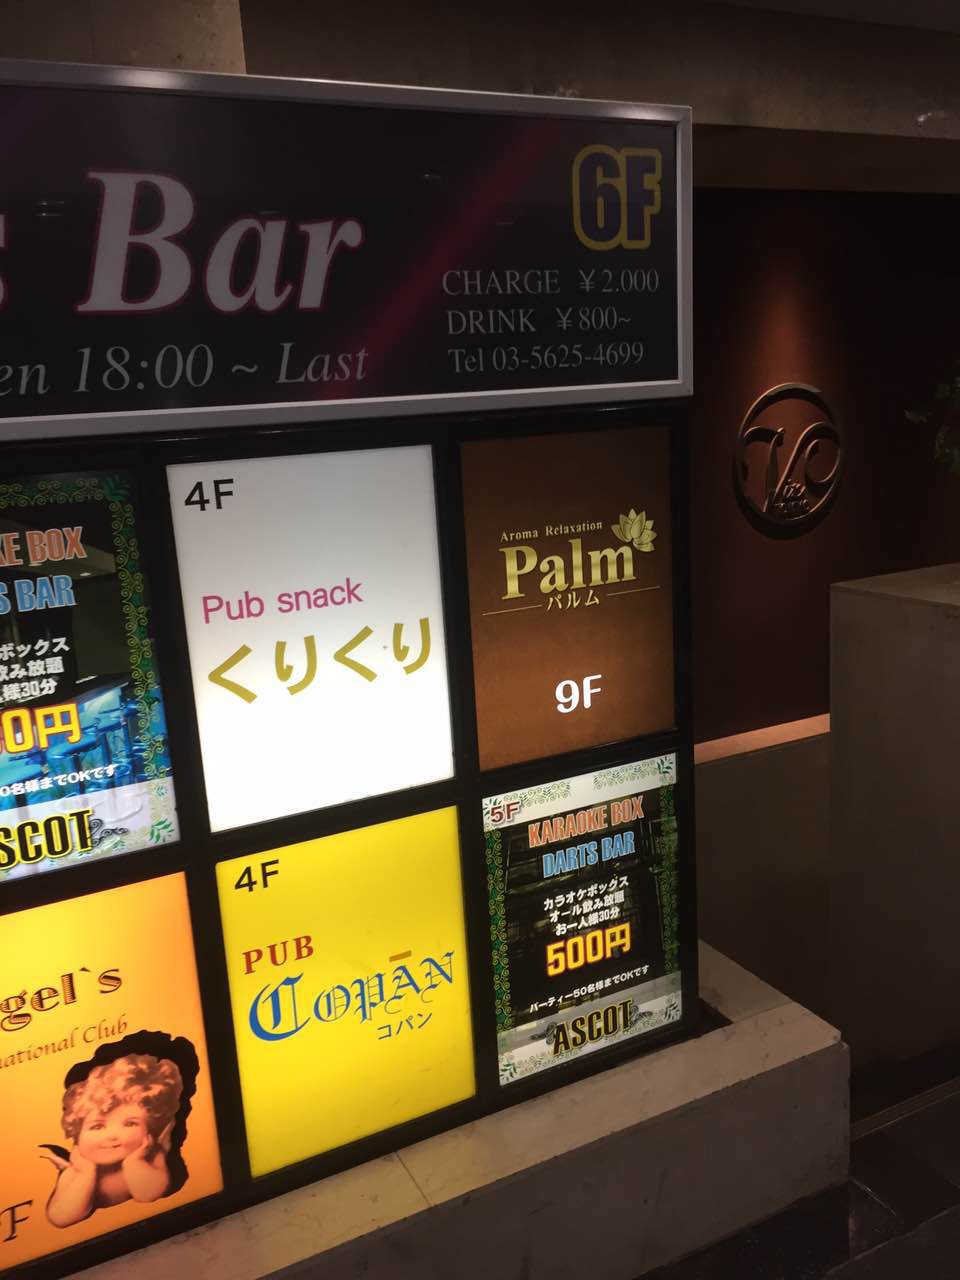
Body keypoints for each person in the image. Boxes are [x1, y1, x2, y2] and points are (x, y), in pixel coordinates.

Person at [42, 1053, 183, 1227]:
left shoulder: (151, 1156)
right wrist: (86, 1173)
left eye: (130, 1124)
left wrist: (134, 1161)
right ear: (77, 1133)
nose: (112, 1135)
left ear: (149, 1128)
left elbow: (148, 1195)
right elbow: (60, 1217)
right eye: (97, 1126)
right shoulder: (78, 1169)